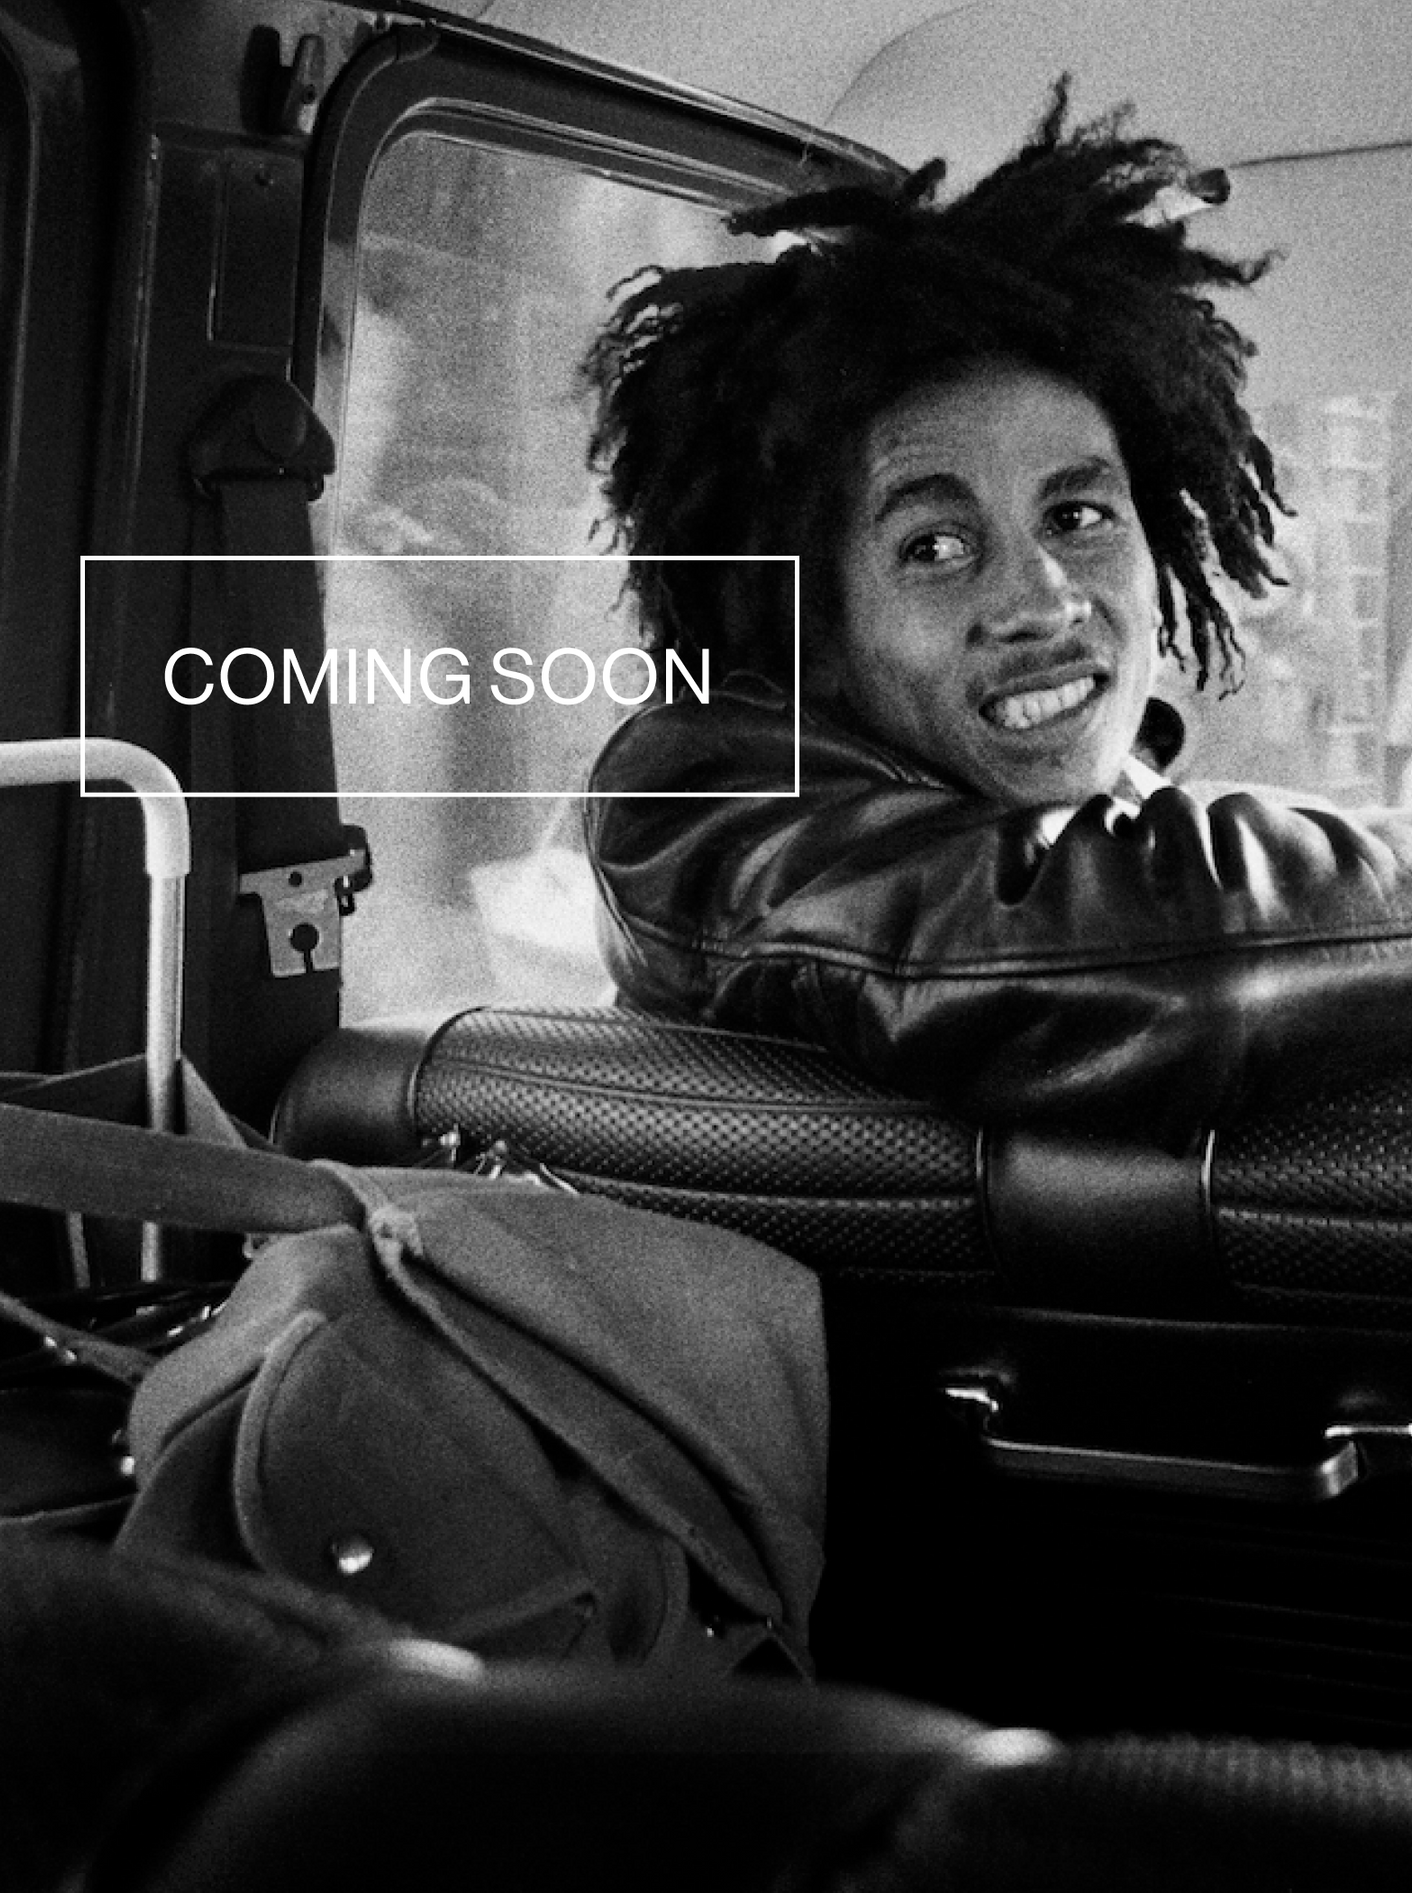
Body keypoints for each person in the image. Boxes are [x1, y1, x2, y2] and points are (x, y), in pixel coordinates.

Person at [581, 84, 1412, 1148]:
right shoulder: (698, 804)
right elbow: (1170, 962)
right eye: (934, 547)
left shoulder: (1089, 800)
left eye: (1076, 516)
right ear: (810, 629)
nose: (1041, 599)